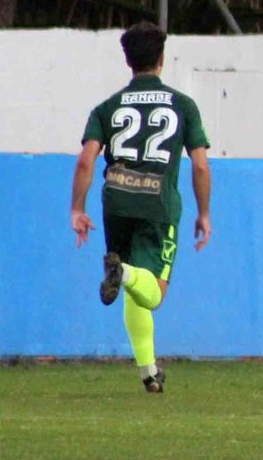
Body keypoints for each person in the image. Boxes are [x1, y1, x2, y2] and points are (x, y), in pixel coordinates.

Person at [70, 22, 212, 393]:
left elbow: (86, 160)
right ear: (161, 59)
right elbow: (199, 164)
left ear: (128, 61)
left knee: (132, 285)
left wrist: (77, 209)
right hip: (157, 204)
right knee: (151, 290)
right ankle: (126, 274)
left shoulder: (107, 107)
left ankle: (149, 372)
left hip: (115, 201)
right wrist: (204, 213)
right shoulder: (182, 105)